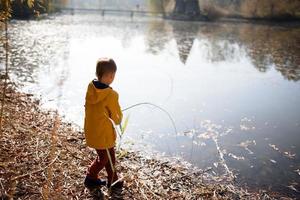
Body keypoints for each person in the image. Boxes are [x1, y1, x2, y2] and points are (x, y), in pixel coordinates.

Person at [83, 58, 123, 189]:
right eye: (111, 75)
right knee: (104, 158)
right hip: (103, 134)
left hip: (92, 131)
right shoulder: (111, 95)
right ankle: (90, 177)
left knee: (110, 155)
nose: (112, 78)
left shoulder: (91, 89)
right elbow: (117, 118)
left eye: (113, 75)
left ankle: (113, 179)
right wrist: (119, 118)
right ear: (107, 76)